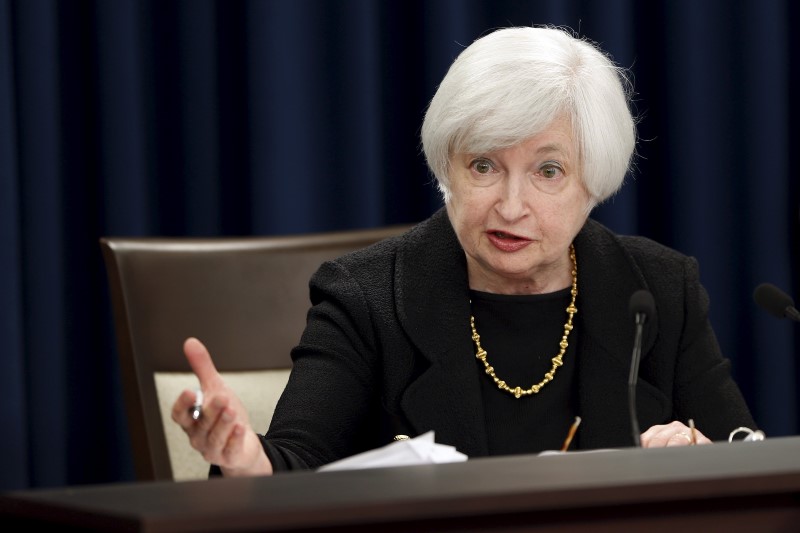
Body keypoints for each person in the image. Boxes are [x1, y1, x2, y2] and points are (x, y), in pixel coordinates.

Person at [172, 25, 757, 477]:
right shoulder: (366, 298)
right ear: (445, 167)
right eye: (484, 165)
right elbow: (293, 463)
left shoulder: (657, 290)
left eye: (548, 171)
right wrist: (245, 459)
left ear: (593, 182)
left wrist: (706, 457)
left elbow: (748, 465)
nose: (510, 205)